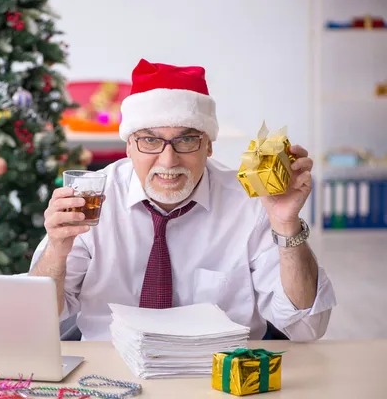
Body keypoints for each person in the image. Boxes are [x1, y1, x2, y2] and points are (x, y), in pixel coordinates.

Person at [29, 58, 337, 342]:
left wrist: (286, 225)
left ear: (209, 146)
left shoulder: (250, 203)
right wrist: (57, 250)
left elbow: (307, 327)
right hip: (110, 369)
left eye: (186, 139)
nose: (168, 160)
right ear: (128, 147)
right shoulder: (91, 199)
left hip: (218, 372)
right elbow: (40, 319)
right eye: (150, 140)